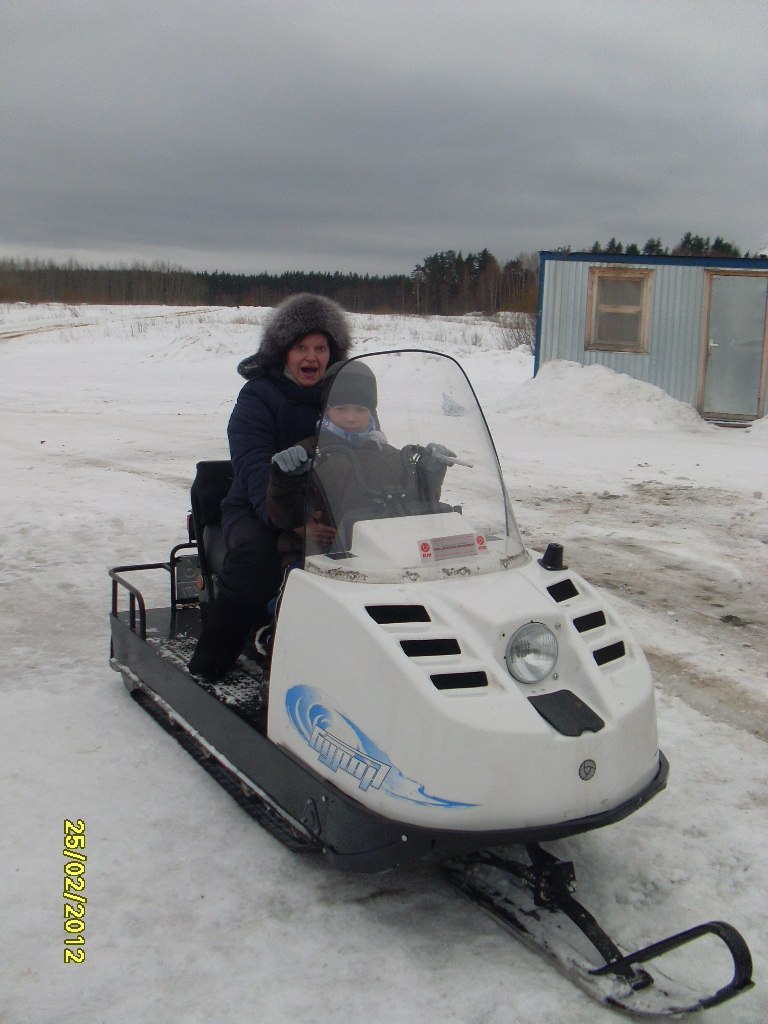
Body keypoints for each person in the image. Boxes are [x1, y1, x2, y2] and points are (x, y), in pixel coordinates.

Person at [187, 293, 351, 681]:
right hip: (256, 506)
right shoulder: (258, 397)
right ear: (282, 352)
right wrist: (291, 522)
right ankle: (211, 663)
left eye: (320, 348)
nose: (311, 357)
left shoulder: (343, 395)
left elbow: (366, 449)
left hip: (328, 506)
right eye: (300, 347)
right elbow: (252, 466)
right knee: (257, 562)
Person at [267, 360, 452, 561]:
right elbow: (283, 517)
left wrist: (428, 475)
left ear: (372, 412)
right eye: (341, 408)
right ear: (326, 410)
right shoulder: (307, 453)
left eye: (360, 409)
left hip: (382, 555)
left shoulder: (390, 455)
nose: (351, 418)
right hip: (317, 556)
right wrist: (284, 480)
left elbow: (418, 508)